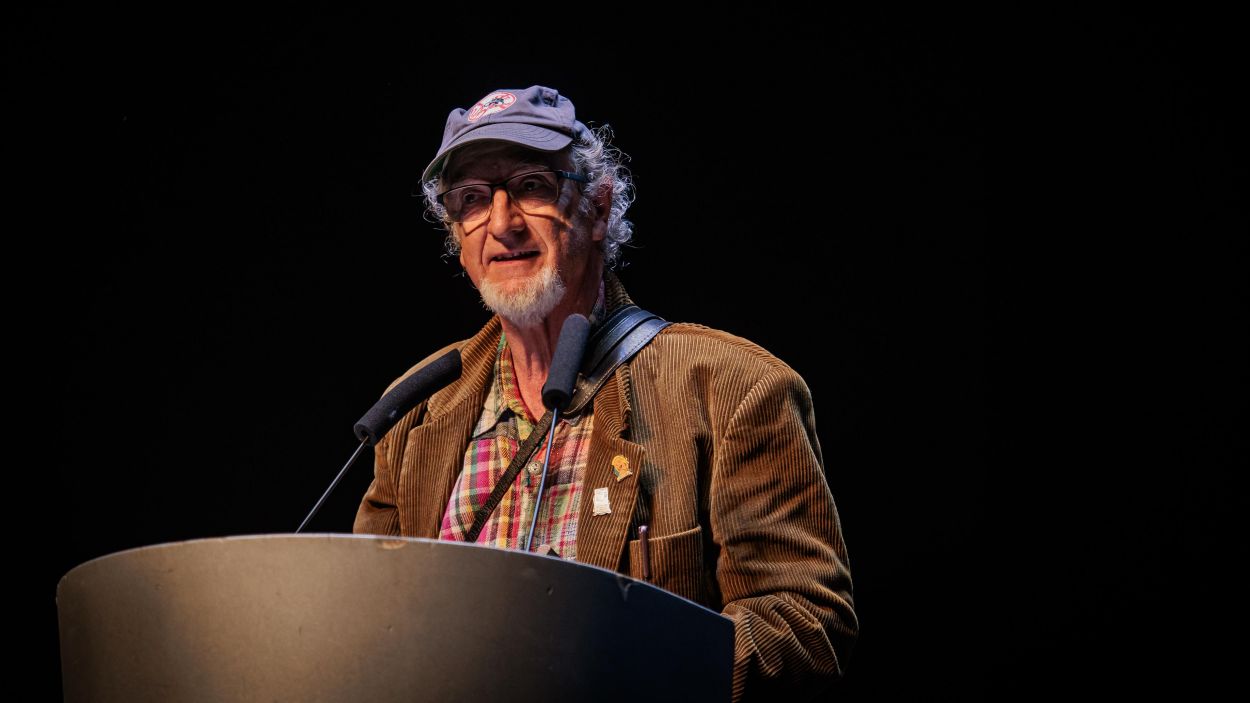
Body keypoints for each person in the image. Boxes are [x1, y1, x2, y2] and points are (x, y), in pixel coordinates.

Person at [353, 85, 858, 702]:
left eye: (533, 185)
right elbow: (365, 626)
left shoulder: (732, 388)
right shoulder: (415, 410)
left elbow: (806, 630)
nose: (504, 223)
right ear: (457, 234)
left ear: (597, 205)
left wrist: (629, 661)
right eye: (473, 199)